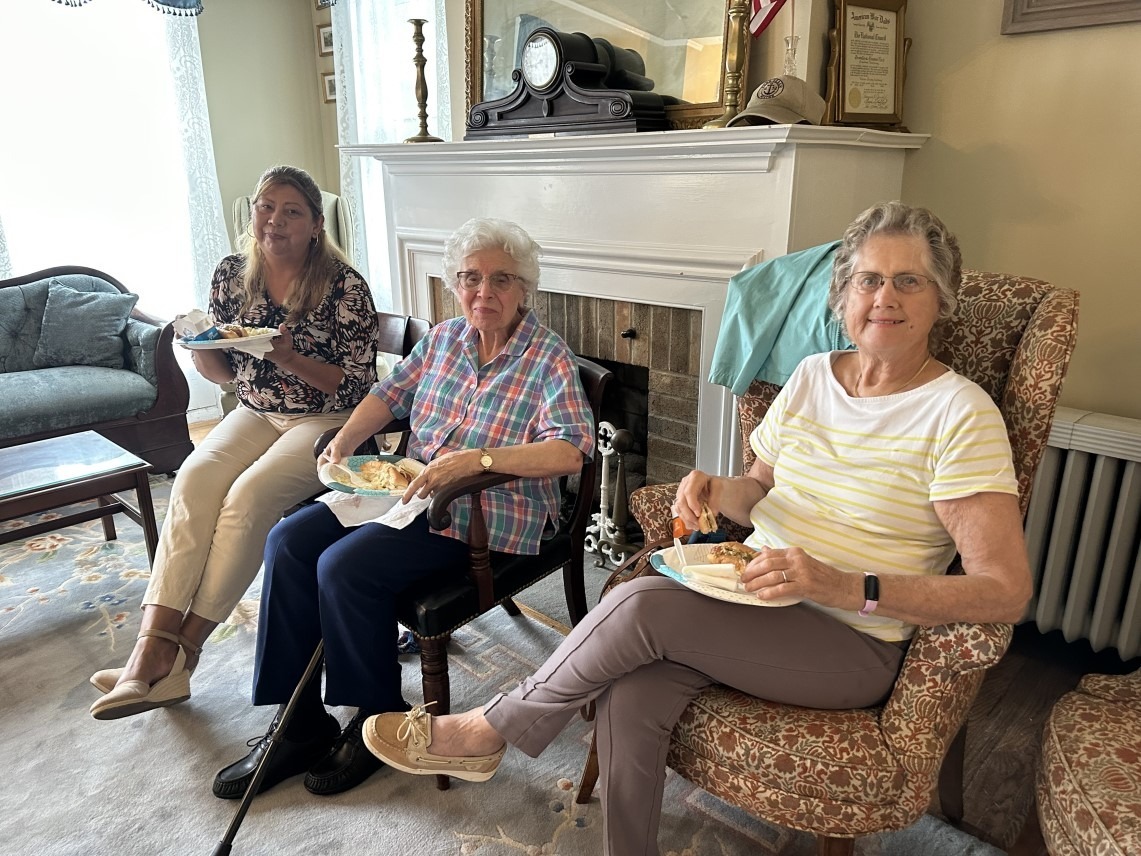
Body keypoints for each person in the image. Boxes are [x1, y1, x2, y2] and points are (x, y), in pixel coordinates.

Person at [360, 201, 1034, 856]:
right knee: (630, 688)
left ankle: (490, 729)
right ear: (842, 298)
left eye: (907, 280)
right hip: (753, 596)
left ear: (939, 298)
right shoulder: (809, 378)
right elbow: (759, 491)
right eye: (867, 280)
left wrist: (839, 585)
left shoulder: (957, 414)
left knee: (638, 603)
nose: (883, 298)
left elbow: (1002, 590)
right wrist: (715, 488)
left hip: (849, 637)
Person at [210, 218, 596, 799]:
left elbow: (570, 450)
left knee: (343, 567)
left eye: (500, 280)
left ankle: (375, 719)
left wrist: (478, 461)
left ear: (525, 289)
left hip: (484, 513)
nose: (482, 293)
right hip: (407, 497)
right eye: (469, 278)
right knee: (287, 541)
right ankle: (299, 725)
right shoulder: (443, 339)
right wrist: (344, 437)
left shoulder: (549, 360)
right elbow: (387, 394)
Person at [89, 165, 379, 721]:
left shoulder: (344, 286)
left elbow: (359, 386)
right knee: (194, 481)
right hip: (256, 411)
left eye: (291, 211)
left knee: (248, 498)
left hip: (329, 419)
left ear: (316, 225)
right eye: (265, 206)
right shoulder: (230, 275)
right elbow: (223, 371)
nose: (274, 220)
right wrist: (197, 349)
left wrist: (288, 355)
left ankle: (180, 655)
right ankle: (152, 645)